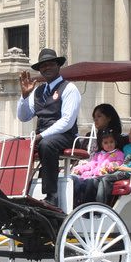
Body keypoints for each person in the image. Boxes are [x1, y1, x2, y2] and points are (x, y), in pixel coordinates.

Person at [18, 48, 81, 207]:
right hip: (42, 136)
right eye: (43, 66)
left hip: (66, 136)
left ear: (58, 66)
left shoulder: (69, 89)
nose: (46, 68)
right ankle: (20, 191)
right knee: (17, 145)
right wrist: (24, 97)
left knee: (47, 144)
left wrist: (42, 136)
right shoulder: (38, 91)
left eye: (50, 64)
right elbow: (23, 116)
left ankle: (52, 196)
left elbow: (67, 121)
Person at [93, 120, 131, 202]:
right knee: (96, 179)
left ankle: (101, 207)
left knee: (106, 179)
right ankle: (90, 204)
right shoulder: (127, 148)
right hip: (120, 171)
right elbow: (122, 161)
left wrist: (122, 168)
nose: (129, 134)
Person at [71, 130, 125, 206]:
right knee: (74, 181)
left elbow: (118, 163)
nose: (109, 144)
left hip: (101, 177)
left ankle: (85, 205)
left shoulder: (118, 153)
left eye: (111, 142)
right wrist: (80, 169)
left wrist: (110, 166)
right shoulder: (99, 154)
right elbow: (91, 164)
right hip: (90, 175)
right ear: (102, 145)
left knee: (90, 183)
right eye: (106, 143)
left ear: (115, 142)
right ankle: (75, 204)